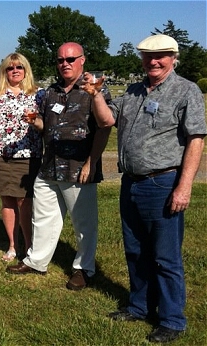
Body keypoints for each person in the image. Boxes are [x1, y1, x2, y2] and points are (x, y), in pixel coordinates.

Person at [85, 34, 206, 343]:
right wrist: (97, 95)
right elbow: (107, 119)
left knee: (165, 257)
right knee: (136, 251)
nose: (154, 61)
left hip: (163, 183)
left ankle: (172, 320)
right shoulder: (135, 91)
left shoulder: (186, 91)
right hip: (132, 183)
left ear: (173, 57)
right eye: (148, 56)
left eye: (162, 55)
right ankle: (139, 306)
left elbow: (196, 139)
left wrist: (184, 186)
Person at [6, 42, 111, 292]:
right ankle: (37, 261)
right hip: (49, 167)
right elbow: (44, 124)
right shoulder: (51, 91)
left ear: (82, 60)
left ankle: (84, 269)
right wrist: (34, 122)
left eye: (70, 59)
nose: (65, 63)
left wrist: (91, 163)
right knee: (43, 218)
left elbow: (105, 126)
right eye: (61, 60)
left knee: (83, 224)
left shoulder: (94, 90)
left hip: (78, 168)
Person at [0, 53, 43, 262]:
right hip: (0, 154)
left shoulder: (38, 94)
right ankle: (13, 246)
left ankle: (30, 245)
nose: (15, 71)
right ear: (4, 71)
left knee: (25, 201)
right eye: (10, 68)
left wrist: (35, 123)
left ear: (26, 70)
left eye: (19, 67)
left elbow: (45, 126)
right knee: (7, 200)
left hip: (26, 154)